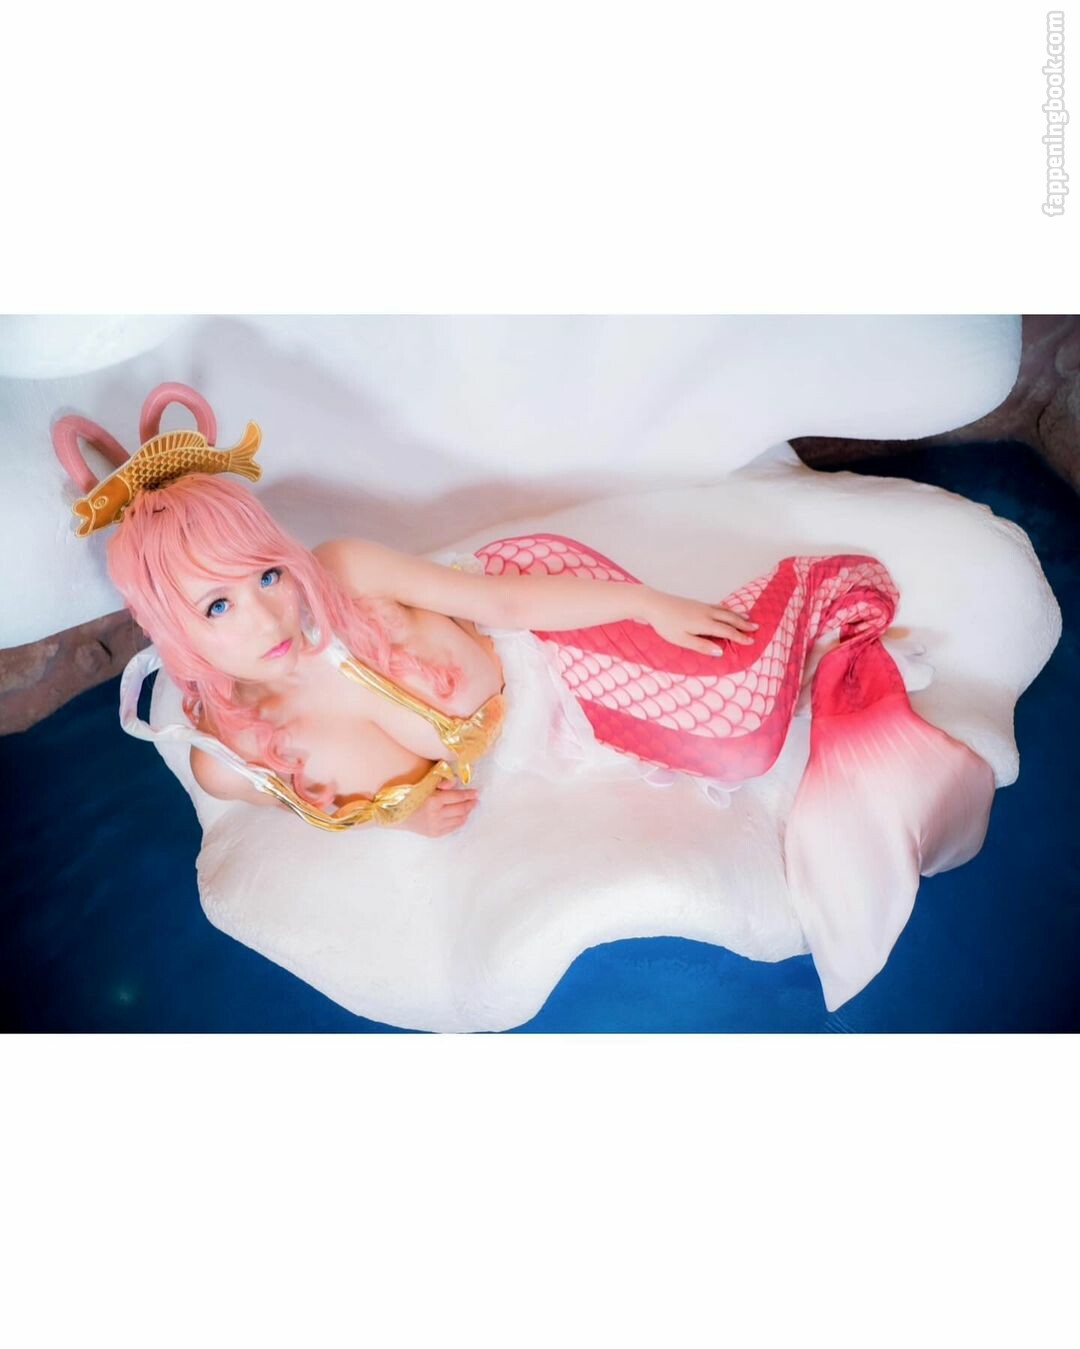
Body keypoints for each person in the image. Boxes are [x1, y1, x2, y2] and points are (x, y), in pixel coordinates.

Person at [53, 381, 998, 1010]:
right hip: (543, 738)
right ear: (175, 632)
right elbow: (311, 805)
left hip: (541, 641)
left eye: (266, 572)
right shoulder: (243, 754)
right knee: (737, 743)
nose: (269, 610)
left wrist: (648, 605)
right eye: (219, 605)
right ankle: (801, 664)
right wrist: (404, 814)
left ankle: (820, 604)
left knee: (737, 730)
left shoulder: (343, 576)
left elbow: (506, 603)